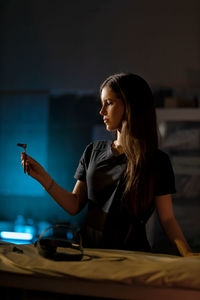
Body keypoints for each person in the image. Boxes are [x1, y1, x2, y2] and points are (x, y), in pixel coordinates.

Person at [21, 72, 199, 256]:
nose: (102, 111)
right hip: (89, 255)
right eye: (102, 103)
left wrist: (187, 254)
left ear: (130, 105)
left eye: (109, 102)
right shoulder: (93, 151)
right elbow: (74, 205)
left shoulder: (157, 161)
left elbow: (168, 219)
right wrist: (43, 178)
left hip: (134, 258)